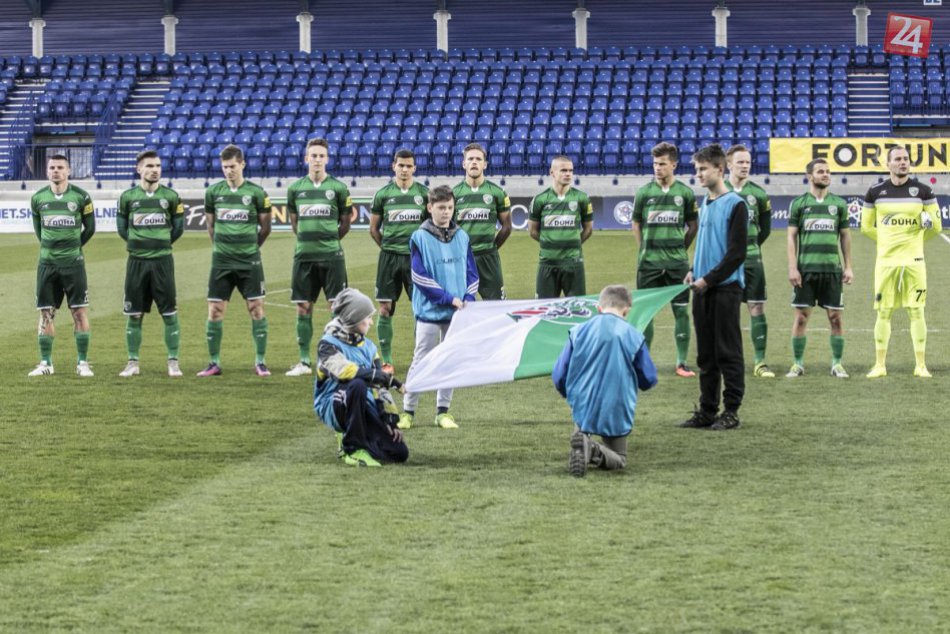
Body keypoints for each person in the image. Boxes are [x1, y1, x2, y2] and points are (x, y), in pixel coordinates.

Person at [552, 285, 658, 478]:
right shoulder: (633, 335)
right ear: (626, 310)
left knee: (582, 430)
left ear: (599, 308)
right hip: (616, 403)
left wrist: (569, 393)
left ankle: (583, 443)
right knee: (619, 458)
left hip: (584, 402)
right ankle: (593, 450)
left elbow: (560, 373)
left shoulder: (578, 331)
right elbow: (648, 378)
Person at [397, 185, 478, 430]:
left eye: (450, 207)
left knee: (449, 361)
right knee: (420, 361)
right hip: (430, 313)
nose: (446, 212)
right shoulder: (419, 237)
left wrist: (469, 297)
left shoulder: (462, 236)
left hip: (456, 313)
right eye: (441, 207)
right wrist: (447, 298)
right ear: (430, 207)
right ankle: (408, 412)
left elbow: (472, 273)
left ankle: (443, 412)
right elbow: (419, 277)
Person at [681, 144, 748, 431]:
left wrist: (708, 279)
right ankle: (707, 410)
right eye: (697, 169)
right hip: (702, 288)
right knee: (705, 355)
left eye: (703, 169)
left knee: (728, 352)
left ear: (720, 170)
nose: (698, 174)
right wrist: (692, 271)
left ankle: (731, 411)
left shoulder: (736, 204)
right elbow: (705, 246)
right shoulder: (705, 203)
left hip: (725, 289)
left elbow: (736, 254)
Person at [861, 146, 942, 378]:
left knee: (917, 311)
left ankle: (920, 365)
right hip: (885, 262)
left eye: (906, 159)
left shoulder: (924, 191)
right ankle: (880, 365)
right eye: (897, 159)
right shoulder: (875, 192)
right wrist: (889, 241)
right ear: (888, 164)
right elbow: (866, 227)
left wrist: (914, 239)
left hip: (914, 261)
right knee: (883, 312)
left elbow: (936, 226)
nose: (903, 162)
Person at [198, 144, 273, 377]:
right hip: (221, 262)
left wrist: (250, 248)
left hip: (249, 262)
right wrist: (222, 249)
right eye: (225, 167)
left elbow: (265, 228)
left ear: (242, 164)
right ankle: (213, 363)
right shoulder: (213, 192)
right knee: (215, 310)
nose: (229, 171)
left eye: (232, 166)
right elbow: (211, 227)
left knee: (256, 308)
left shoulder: (257, 193)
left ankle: (260, 361)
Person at [312, 288, 408, 468]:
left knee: (399, 453)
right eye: (367, 317)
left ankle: (356, 437)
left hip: (363, 403)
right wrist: (379, 376)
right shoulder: (327, 345)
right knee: (357, 384)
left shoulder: (370, 347)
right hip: (333, 404)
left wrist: (390, 420)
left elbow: (380, 387)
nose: (371, 322)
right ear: (353, 318)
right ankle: (352, 449)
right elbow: (344, 372)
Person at [285, 138, 355, 376]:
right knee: (303, 307)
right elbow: (295, 222)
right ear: (306, 158)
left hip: (332, 257)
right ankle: (304, 362)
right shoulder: (295, 189)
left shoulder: (338, 188)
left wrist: (329, 241)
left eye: (321, 156)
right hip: (304, 257)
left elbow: (345, 223)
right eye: (313, 156)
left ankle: (335, 359)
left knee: (336, 308)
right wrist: (309, 241)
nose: (317, 160)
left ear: (327, 159)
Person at [632, 142, 699, 377]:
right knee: (646, 314)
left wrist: (681, 248)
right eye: (655, 164)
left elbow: (693, 226)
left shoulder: (685, 193)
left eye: (662, 164)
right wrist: (644, 249)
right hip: (648, 264)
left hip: (676, 264)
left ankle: (681, 362)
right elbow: (636, 224)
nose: (657, 168)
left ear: (674, 165)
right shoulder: (644, 193)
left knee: (681, 311)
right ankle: (644, 362)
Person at [116, 150, 185, 377]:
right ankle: (133, 363)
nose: (155, 170)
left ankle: (173, 362)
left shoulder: (171, 197)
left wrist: (160, 242)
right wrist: (139, 243)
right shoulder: (127, 197)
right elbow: (122, 229)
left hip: (162, 262)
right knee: (134, 314)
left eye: (157, 166)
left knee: (169, 313)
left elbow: (178, 229)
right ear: (139, 169)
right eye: (149, 166)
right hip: (136, 263)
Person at [28, 154, 95, 377]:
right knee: (46, 313)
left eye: (60, 167)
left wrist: (73, 247)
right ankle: (46, 363)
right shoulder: (38, 198)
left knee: (79, 312)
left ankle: (82, 363)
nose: (56, 171)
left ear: (68, 171)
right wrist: (52, 248)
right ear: (47, 171)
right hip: (47, 265)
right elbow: (39, 231)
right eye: (52, 167)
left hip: (73, 265)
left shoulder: (82, 196)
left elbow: (90, 228)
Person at [786, 158, 854, 378]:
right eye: (821, 171)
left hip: (832, 270)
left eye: (828, 171)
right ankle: (797, 364)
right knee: (801, 318)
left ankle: (837, 364)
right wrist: (792, 267)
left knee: (835, 318)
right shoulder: (799, 204)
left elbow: (845, 236)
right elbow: (791, 237)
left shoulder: (839, 204)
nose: (826, 174)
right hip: (805, 270)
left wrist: (848, 266)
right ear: (810, 176)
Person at [369, 148, 429, 374]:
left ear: (414, 168)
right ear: (393, 166)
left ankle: (420, 359)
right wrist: (388, 248)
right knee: (385, 308)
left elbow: (430, 228)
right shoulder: (383, 195)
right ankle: (386, 361)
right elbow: (374, 229)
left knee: (420, 310)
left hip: (416, 260)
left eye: (408, 166)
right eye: (401, 165)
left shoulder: (424, 194)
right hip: (389, 258)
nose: (404, 169)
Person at [726, 144, 775, 378]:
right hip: (726, 263)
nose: (745, 166)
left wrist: (749, 248)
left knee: (756, 307)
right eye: (740, 162)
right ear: (729, 165)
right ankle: (729, 360)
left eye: (747, 162)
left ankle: (759, 362)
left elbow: (765, 229)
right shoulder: (718, 191)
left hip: (753, 260)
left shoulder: (759, 194)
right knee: (728, 311)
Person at [452, 142, 512, 299]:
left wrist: (492, 248)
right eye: (470, 159)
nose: (474, 162)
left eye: (478, 159)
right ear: (464, 164)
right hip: (462, 258)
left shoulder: (497, 192)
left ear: (485, 164)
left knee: (497, 305)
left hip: (488, 258)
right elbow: (447, 229)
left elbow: (507, 226)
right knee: (460, 304)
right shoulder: (454, 194)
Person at [528, 156, 594, 298]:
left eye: (571, 170)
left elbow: (588, 229)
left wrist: (574, 243)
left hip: (573, 263)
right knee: (545, 306)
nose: (568, 174)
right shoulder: (540, 199)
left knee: (576, 307)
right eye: (563, 170)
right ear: (552, 172)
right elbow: (532, 231)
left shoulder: (582, 198)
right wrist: (549, 243)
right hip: (547, 263)